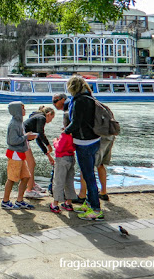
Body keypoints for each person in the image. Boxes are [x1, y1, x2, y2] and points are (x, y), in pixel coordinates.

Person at [53, 92, 112, 203]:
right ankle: (103, 192)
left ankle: (82, 195)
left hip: (97, 137)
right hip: (107, 132)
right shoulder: (87, 101)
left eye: (55, 101)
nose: (54, 104)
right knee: (100, 164)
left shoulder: (71, 107)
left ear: (62, 99)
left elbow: (73, 127)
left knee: (86, 167)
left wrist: (64, 134)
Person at [63, 76, 104, 220]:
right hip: (95, 140)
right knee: (89, 173)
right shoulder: (90, 98)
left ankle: (96, 209)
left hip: (84, 142)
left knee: (89, 176)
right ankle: (88, 203)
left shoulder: (78, 101)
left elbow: (76, 122)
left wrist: (65, 131)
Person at [1, 101, 37, 210]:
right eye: (22, 108)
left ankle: (20, 200)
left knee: (26, 176)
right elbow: (12, 141)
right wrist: (26, 137)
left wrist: (26, 136)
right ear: (17, 110)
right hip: (15, 154)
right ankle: (5, 201)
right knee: (11, 178)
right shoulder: (14, 124)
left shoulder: (19, 122)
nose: (24, 110)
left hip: (20, 153)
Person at [23, 105, 56, 198]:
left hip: (23, 139)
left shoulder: (37, 116)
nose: (50, 121)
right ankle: (29, 190)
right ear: (49, 114)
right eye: (52, 118)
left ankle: (32, 185)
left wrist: (47, 154)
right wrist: (49, 145)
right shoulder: (41, 118)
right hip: (22, 140)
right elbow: (41, 134)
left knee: (30, 164)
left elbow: (37, 137)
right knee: (31, 164)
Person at [49, 132, 77, 213]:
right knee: (69, 181)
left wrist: (55, 141)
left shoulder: (64, 135)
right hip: (71, 158)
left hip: (62, 159)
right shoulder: (74, 134)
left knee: (58, 181)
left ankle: (55, 204)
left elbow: (59, 148)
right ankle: (68, 202)